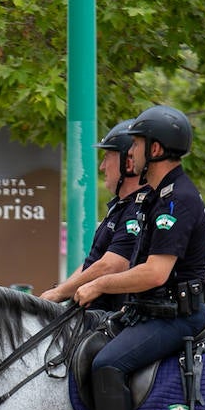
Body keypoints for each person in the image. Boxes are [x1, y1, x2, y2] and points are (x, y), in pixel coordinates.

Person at [56, 104, 205, 410]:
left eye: (138, 144)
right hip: (150, 311)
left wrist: (100, 284)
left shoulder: (178, 200)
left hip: (178, 317)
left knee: (108, 364)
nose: (131, 152)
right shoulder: (156, 197)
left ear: (155, 150)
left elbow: (156, 272)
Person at [40, 119, 143, 310]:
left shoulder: (137, 211)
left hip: (109, 317)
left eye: (107, 157)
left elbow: (110, 266)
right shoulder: (120, 207)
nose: (102, 167)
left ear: (128, 163)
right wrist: (62, 292)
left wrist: (59, 293)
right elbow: (93, 263)